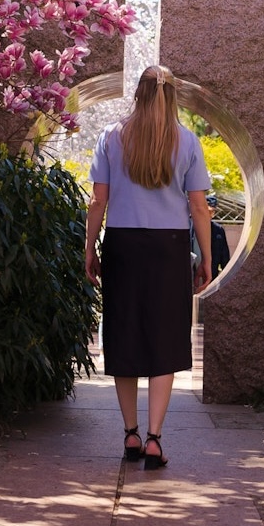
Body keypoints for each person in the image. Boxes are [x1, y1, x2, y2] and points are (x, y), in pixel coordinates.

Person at [84, 64, 212, 470]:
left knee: (124, 334)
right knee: (164, 338)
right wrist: (207, 258)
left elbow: (97, 202)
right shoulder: (188, 141)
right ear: (173, 97)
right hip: (169, 248)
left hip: (123, 244)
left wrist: (90, 248)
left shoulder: (111, 136)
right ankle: (156, 437)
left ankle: (131, 434)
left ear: (137, 94)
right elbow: (198, 208)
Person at [206, 194, 231, 278]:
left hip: (212, 274)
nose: (210, 214)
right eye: (208, 211)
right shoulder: (191, 226)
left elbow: (224, 255)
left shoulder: (218, 230)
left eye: (213, 211)